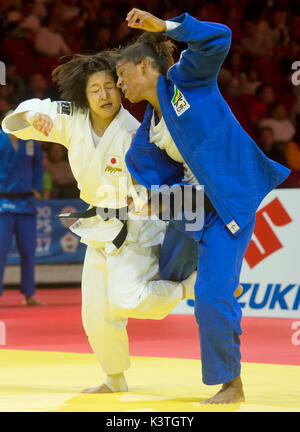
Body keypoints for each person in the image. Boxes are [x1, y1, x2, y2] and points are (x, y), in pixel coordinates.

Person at [115, 8, 290, 403]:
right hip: (189, 208)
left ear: (145, 65)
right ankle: (213, 285)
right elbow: (160, 189)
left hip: (228, 203)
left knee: (210, 296)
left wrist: (166, 26)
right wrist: (146, 201)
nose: (120, 82)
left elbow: (219, 37)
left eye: (123, 74)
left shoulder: (186, 82)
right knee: (169, 273)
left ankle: (232, 383)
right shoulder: (144, 141)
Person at [2, 52, 197, 394]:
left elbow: (159, 182)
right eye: (95, 89)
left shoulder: (134, 133)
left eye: (110, 87)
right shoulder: (72, 118)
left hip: (134, 227)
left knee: (127, 300)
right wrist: (32, 114)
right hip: (98, 228)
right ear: (84, 94)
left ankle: (188, 287)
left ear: (120, 90)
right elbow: (15, 120)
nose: (105, 95)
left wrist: (142, 200)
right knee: (94, 313)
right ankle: (115, 378)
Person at [0, 129, 44, 305]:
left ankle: (28, 294)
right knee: (0, 252)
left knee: (28, 250)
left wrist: (36, 186)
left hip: (26, 203)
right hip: (2, 203)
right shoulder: (1, 140)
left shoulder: (30, 141)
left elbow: (39, 164)